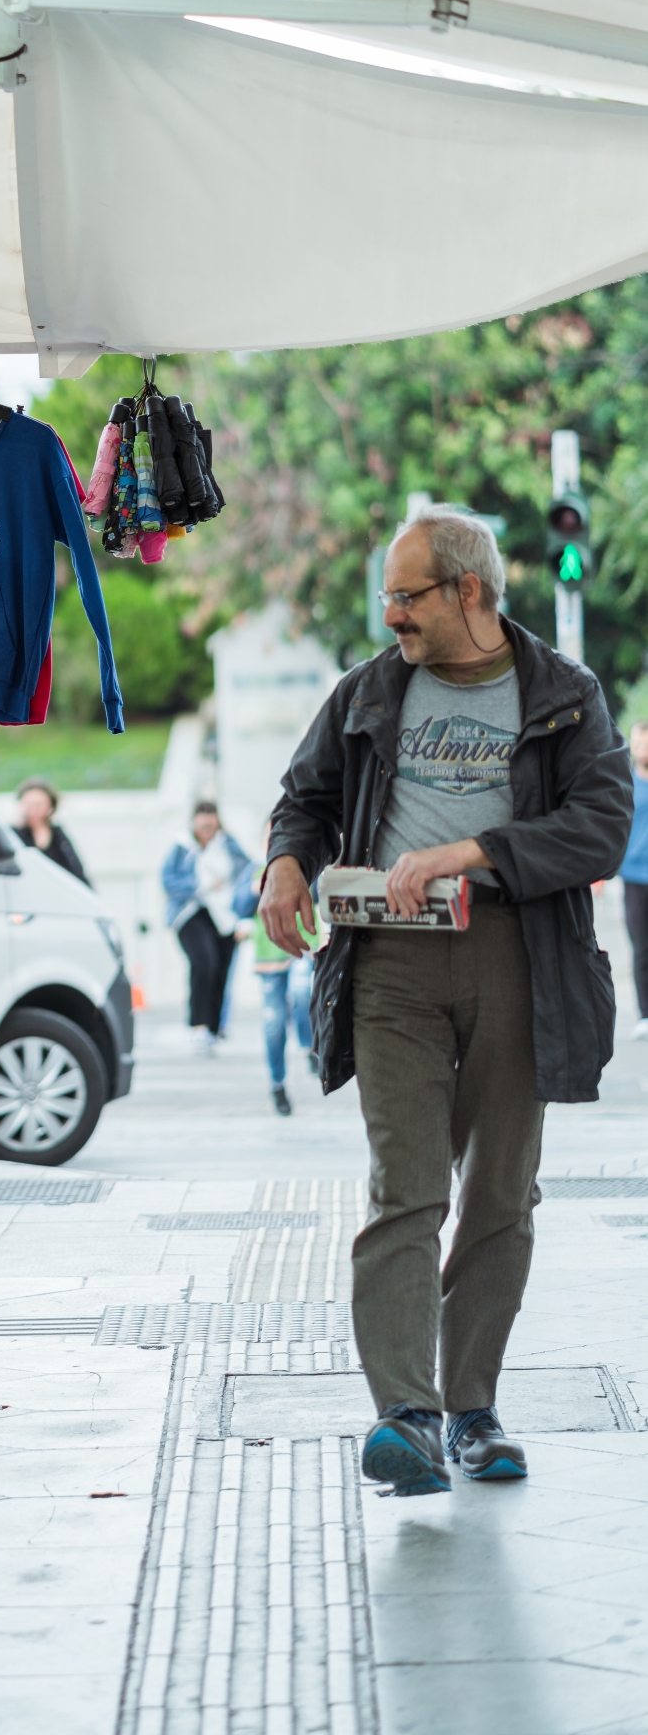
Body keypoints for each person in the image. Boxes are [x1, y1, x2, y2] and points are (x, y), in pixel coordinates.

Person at [261, 505, 631, 1497]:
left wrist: (468, 852)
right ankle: (405, 1415)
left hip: (521, 957)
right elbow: (302, 795)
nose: (391, 615)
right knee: (406, 1186)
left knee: (501, 1194)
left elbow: (598, 826)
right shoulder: (367, 693)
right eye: (387, 595)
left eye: (407, 594)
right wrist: (286, 867)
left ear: (467, 590)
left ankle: (473, 1408)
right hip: (390, 965)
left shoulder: (563, 693)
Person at [163, 801, 249, 1054]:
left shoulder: (228, 845)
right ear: (193, 824)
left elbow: (246, 874)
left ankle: (214, 1026)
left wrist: (243, 912)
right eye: (202, 826)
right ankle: (198, 1025)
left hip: (225, 914)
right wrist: (201, 884)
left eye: (211, 826)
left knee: (221, 969)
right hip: (191, 911)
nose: (207, 831)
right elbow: (168, 882)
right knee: (204, 962)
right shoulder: (181, 848)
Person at [252, 893, 318, 1115]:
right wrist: (254, 891)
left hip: (301, 947)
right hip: (270, 957)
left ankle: (309, 1048)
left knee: (302, 992)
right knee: (274, 1025)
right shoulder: (256, 872)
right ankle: (277, 1084)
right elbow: (238, 905)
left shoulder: (306, 865)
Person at [620, 721, 648, 1038]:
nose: (642, 750)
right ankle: (645, 1014)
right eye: (638, 744)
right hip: (635, 877)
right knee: (642, 947)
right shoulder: (625, 782)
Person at [14, 778, 89, 885]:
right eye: (29, 804)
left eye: (39, 805)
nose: (34, 811)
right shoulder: (13, 836)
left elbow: (76, 871)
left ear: (51, 807)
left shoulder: (58, 836)